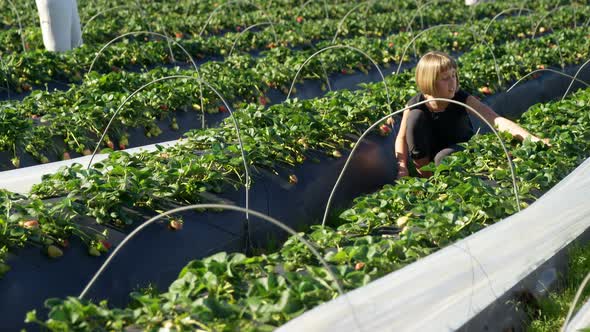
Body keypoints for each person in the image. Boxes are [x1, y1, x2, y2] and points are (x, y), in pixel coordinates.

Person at [395, 51, 549, 178]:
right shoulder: (415, 104)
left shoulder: (462, 98)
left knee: (443, 157)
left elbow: (495, 119)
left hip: (459, 151)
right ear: (429, 81)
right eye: (445, 78)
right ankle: (427, 179)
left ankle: (447, 179)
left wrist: (533, 140)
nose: (452, 82)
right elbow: (401, 138)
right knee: (414, 118)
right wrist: (402, 166)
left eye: (453, 75)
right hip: (428, 158)